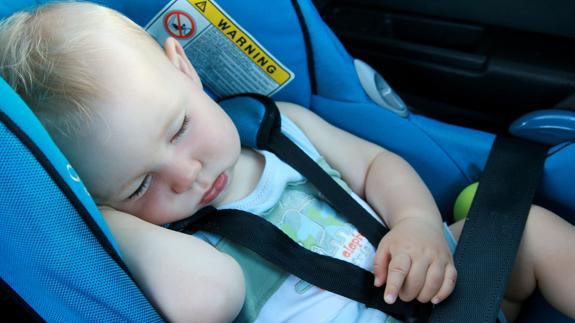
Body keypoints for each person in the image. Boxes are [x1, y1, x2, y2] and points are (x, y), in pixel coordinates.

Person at [1, 3, 574, 322]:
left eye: (179, 128)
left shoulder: (279, 128)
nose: (188, 174)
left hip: (442, 291)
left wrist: (416, 225)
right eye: (139, 184)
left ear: (185, 67)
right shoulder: (171, 250)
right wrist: (100, 217)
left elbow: (378, 166)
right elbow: (205, 299)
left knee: (528, 232)